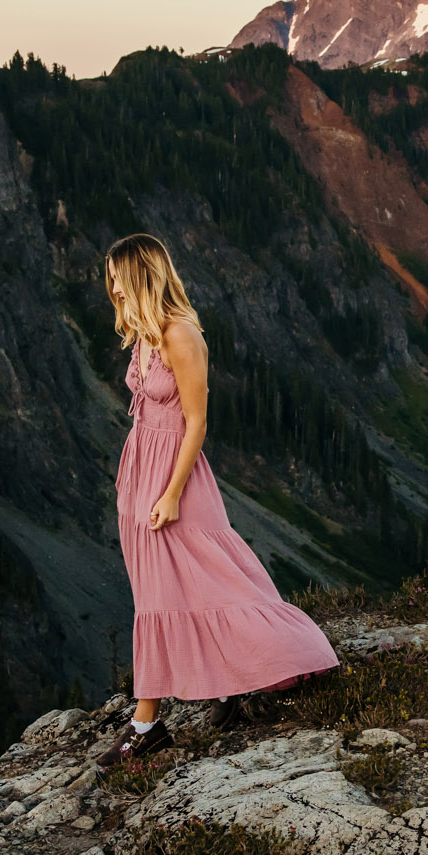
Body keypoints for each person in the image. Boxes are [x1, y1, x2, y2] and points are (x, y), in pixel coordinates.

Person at [98, 233, 336, 761]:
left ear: (139, 275)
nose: (109, 283)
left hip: (174, 476)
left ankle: (146, 727)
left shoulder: (181, 335)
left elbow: (197, 422)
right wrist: (137, 487)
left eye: (115, 274)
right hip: (140, 471)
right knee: (164, 594)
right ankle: (224, 687)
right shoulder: (142, 335)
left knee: (202, 586)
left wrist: (172, 493)